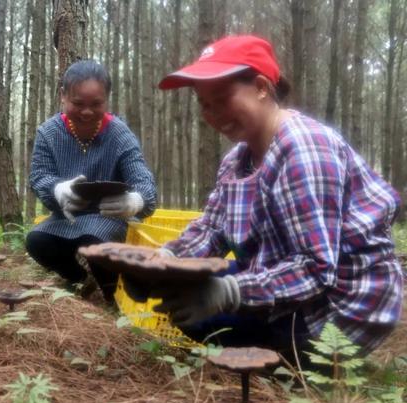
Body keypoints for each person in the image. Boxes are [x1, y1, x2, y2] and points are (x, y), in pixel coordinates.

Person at [127, 34, 402, 360]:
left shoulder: (303, 148)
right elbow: (212, 229)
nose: (213, 114)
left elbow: (317, 270)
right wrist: (165, 263)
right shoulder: (237, 159)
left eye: (223, 98)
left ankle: (296, 362)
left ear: (260, 87)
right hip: (284, 275)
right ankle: (263, 344)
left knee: (209, 313)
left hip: (340, 304)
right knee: (183, 294)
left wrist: (227, 292)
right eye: (204, 103)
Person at [27, 60, 157, 301]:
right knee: (36, 240)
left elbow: (144, 182)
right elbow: (39, 176)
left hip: (110, 218)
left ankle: (113, 296)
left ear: (106, 100)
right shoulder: (48, 133)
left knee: (95, 242)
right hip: (67, 218)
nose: (86, 112)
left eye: (96, 104)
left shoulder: (119, 134)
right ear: (63, 96)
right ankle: (79, 281)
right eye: (78, 103)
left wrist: (136, 201)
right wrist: (56, 190)